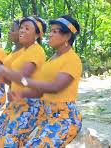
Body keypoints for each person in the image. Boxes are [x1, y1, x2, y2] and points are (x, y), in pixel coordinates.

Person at [8, 15, 82, 147]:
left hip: (64, 118)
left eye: (55, 31)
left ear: (67, 37)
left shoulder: (72, 60)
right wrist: (23, 94)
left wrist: (24, 81)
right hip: (47, 116)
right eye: (50, 31)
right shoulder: (52, 59)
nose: (50, 35)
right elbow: (42, 91)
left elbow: (55, 87)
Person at [0, 16, 47, 147]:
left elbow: (23, 78)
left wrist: (2, 69)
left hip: (29, 105)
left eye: (27, 28)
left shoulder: (36, 50)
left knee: (7, 142)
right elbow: (13, 80)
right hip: (16, 102)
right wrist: (1, 75)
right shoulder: (24, 51)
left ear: (37, 34)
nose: (22, 31)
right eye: (21, 28)